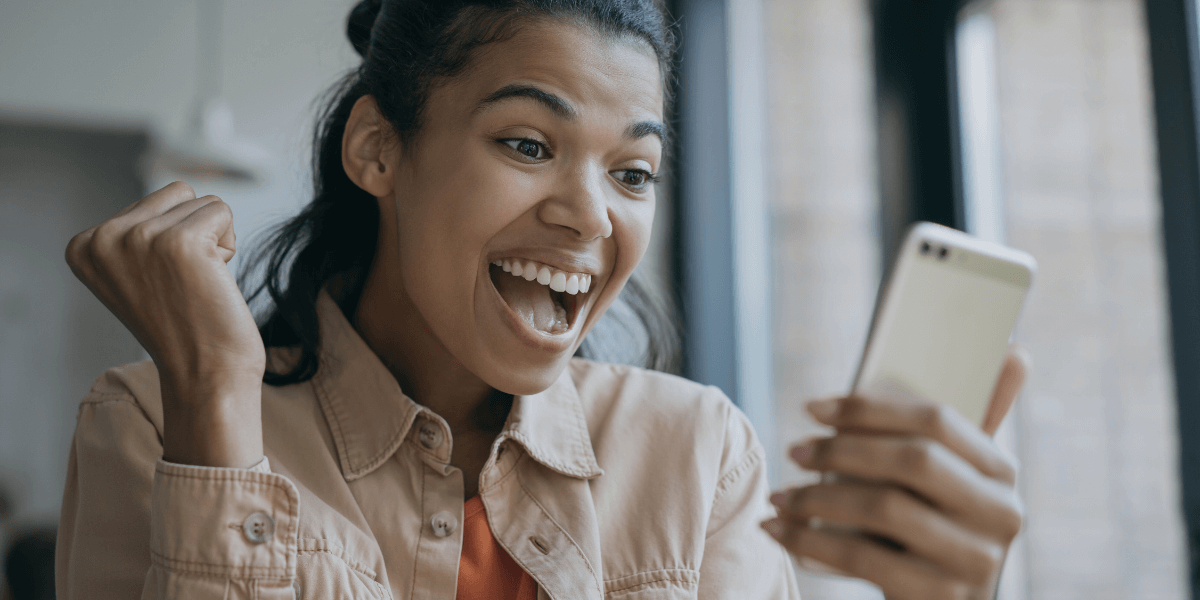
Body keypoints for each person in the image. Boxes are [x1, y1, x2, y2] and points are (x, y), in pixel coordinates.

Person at [55, 1, 1026, 598]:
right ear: (377, 149)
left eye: (633, 173)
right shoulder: (153, 420)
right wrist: (218, 412)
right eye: (528, 144)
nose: (589, 217)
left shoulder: (700, 457)